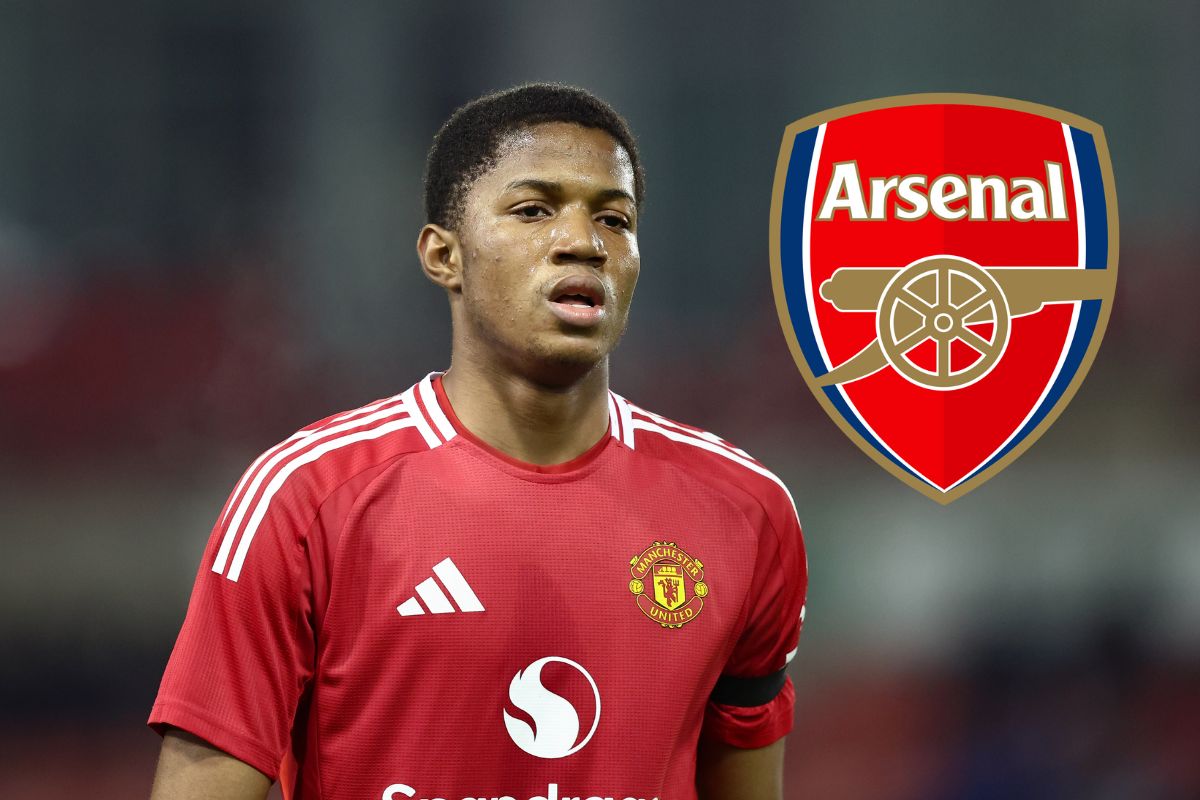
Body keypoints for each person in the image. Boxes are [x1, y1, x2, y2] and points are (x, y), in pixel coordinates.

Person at [147, 83, 808, 800]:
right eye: (534, 210)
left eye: (614, 219)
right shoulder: (305, 501)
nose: (583, 242)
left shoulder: (746, 513)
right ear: (444, 255)